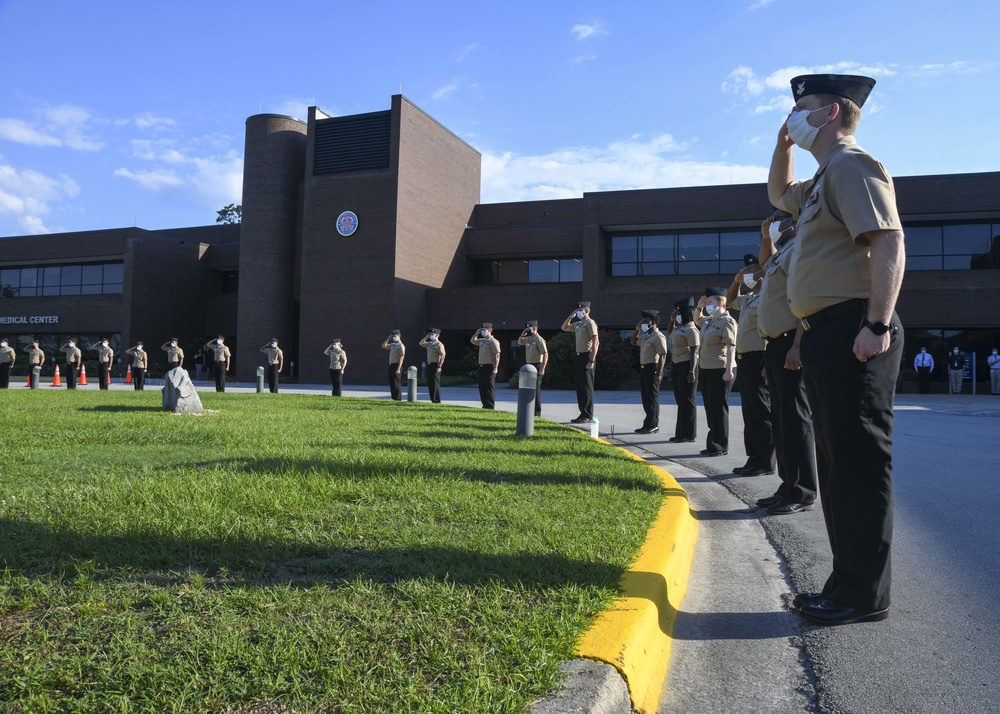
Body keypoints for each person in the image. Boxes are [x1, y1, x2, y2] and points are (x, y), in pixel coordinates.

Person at [769, 73, 904, 626]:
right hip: (826, 329)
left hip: (855, 327)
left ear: (830, 114)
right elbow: (779, 195)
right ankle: (847, 581)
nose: (792, 116)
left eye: (802, 108)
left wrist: (877, 322)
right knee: (837, 462)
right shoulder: (822, 178)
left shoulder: (851, 164)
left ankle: (862, 594)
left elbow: (890, 239)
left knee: (856, 463)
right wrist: (781, 145)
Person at [755, 211, 819, 516]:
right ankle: (787, 483)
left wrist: (797, 345)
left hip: (791, 343)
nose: (774, 222)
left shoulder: (800, 249)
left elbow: (805, 302)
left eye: (780, 219)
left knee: (796, 420)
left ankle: (803, 490)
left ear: (796, 221)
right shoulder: (780, 256)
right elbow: (765, 263)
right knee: (781, 421)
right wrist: (766, 238)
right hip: (775, 345)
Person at [728, 254, 775, 476]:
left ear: (762, 273)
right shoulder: (748, 298)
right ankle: (753, 457)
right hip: (744, 360)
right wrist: (737, 281)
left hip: (760, 359)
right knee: (750, 413)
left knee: (761, 412)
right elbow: (729, 301)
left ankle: (765, 461)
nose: (747, 274)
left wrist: (767, 362)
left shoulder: (768, 294)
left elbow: (771, 329)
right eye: (744, 271)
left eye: (751, 271)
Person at [695, 288, 737, 456]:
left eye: (710, 302)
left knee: (718, 408)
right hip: (706, 369)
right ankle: (713, 443)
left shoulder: (727, 321)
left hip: (720, 369)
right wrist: (699, 305)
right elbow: (697, 319)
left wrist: (728, 370)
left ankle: (720, 445)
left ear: (720, 303)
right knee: (710, 407)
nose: (707, 305)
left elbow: (731, 346)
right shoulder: (710, 320)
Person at [561, 301, 599, 424]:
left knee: (587, 387)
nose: (578, 312)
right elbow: (564, 327)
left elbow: (596, 342)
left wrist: (592, 360)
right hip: (579, 356)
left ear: (587, 311)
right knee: (580, 386)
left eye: (580, 310)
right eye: (577, 310)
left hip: (587, 356)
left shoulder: (590, 323)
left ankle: (587, 414)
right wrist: (571, 316)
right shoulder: (579, 324)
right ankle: (582, 413)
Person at [667, 298, 699, 443]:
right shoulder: (679, 327)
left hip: (687, 365)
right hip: (676, 364)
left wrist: (691, 371)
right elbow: (669, 331)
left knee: (687, 400)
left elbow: (694, 352)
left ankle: (689, 434)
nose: (676, 314)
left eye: (679, 312)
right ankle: (680, 433)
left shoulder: (691, 330)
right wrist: (672, 319)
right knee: (680, 400)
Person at [631, 309, 668, 434]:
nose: (643, 324)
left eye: (645, 322)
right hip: (644, 369)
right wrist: (637, 330)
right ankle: (647, 424)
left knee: (652, 398)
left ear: (653, 322)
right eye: (642, 322)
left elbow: (663, 355)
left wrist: (659, 373)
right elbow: (633, 342)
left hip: (653, 368)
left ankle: (653, 425)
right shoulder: (646, 336)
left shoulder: (658, 336)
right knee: (646, 398)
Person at [517, 321, 548, 417]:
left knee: (536, 390)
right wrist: (524, 333)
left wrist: (542, 368)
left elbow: (545, 354)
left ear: (534, 329)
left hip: (537, 365)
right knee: (528, 389)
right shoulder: (528, 339)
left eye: (529, 329)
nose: (528, 331)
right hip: (529, 366)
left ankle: (537, 412)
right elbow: (519, 341)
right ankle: (530, 410)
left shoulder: (539, 340)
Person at [470, 322, 500, 409]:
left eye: (484, 330)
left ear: (490, 330)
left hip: (489, 367)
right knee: (482, 387)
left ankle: (490, 405)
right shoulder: (482, 341)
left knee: (489, 387)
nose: (483, 331)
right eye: (482, 330)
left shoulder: (493, 342)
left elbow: (497, 355)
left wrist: (495, 367)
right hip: (481, 366)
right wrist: (477, 333)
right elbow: (472, 341)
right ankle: (485, 405)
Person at [418, 329, 446, 403]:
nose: (431, 336)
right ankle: (432, 399)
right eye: (430, 334)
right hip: (429, 364)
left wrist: (439, 366)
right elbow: (421, 343)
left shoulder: (439, 344)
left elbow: (443, 356)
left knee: (435, 383)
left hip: (435, 364)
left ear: (437, 335)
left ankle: (436, 400)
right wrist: (426, 337)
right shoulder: (429, 343)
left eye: (433, 334)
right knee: (430, 382)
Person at [380, 330, 405, 400]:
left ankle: (398, 398)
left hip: (397, 365)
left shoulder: (401, 345)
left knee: (396, 382)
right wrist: (389, 339)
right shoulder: (393, 345)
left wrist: (398, 369)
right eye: (393, 336)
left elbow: (401, 358)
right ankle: (394, 397)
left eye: (395, 336)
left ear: (399, 337)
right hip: (391, 365)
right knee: (392, 382)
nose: (394, 337)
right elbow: (383, 346)